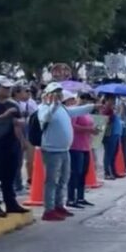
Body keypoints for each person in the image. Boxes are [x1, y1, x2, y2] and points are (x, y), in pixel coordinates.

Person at [38, 83, 95, 221]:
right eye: (55, 93)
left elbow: (76, 111)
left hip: (64, 149)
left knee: (64, 179)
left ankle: (59, 205)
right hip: (52, 150)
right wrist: (52, 105)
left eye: (59, 93)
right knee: (52, 181)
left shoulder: (62, 108)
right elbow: (45, 118)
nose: (58, 95)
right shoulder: (43, 108)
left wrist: (93, 107)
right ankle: (49, 209)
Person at [0, 79, 28, 217]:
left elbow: (18, 124)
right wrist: (4, 116)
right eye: (4, 88)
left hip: (11, 143)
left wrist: (22, 141)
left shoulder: (13, 104)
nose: (7, 91)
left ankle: (11, 203)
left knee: (9, 176)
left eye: (9, 89)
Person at [67, 92, 98, 209]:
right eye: (83, 98)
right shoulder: (75, 112)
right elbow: (73, 126)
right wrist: (88, 129)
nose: (85, 100)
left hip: (85, 145)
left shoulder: (86, 112)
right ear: (78, 98)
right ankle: (71, 198)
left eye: (87, 99)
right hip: (76, 146)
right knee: (75, 173)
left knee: (83, 173)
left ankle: (80, 197)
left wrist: (92, 130)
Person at [100, 95, 122, 179]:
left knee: (114, 153)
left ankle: (113, 171)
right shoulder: (106, 109)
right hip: (109, 134)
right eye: (112, 99)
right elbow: (105, 120)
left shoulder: (112, 109)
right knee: (109, 153)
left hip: (115, 133)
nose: (113, 101)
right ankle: (107, 173)